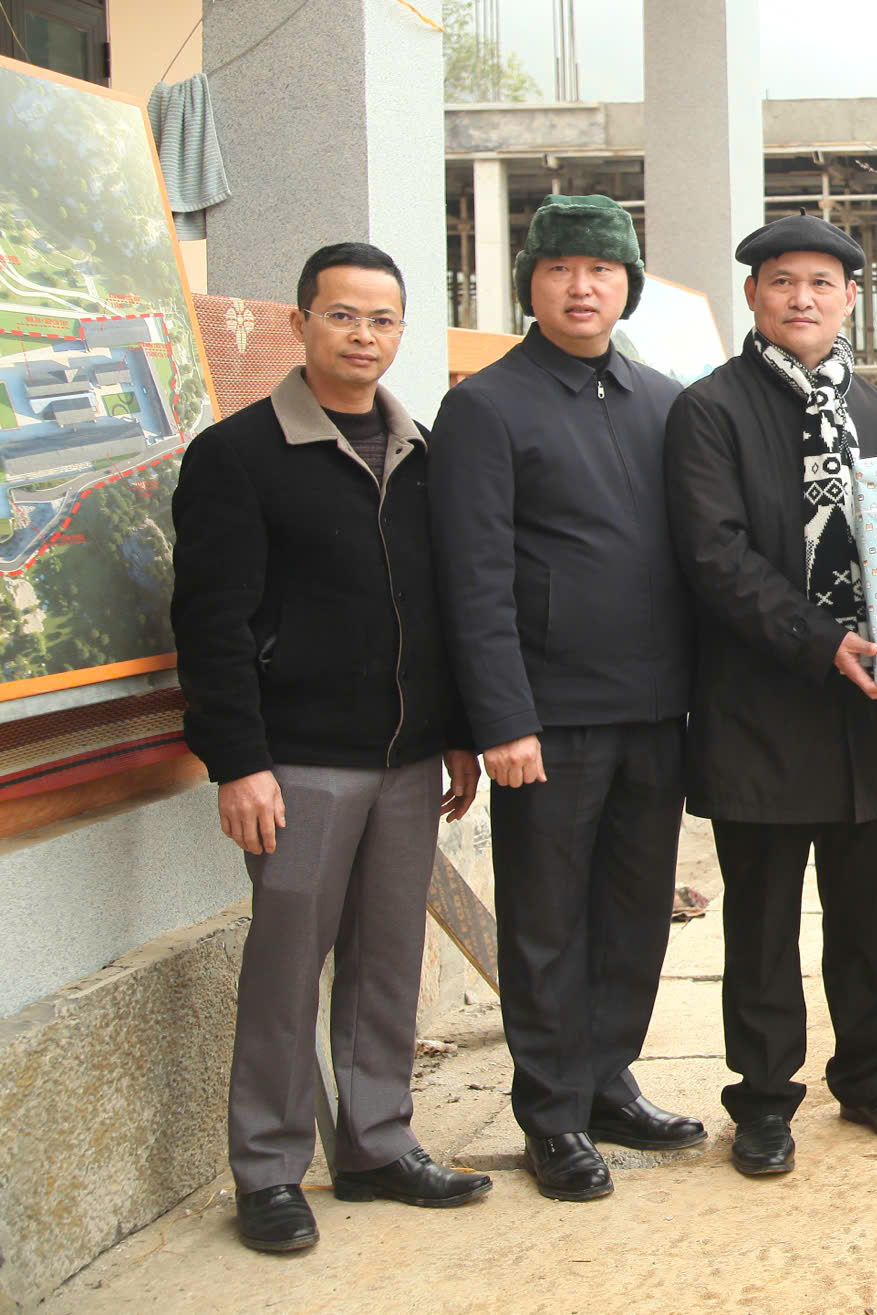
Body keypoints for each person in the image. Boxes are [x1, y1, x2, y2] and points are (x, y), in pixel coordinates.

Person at [172, 242, 490, 1253]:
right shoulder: (237, 456)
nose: (363, 335)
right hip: (296, 763)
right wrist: (238, 761)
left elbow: (445, 607)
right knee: (284, 969)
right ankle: (268, 1170)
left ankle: (377, 1145)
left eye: (382, 319)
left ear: (401, 331)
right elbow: (210, 625)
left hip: (408, 760)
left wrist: (460, 736)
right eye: (343, 315)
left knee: (387, 961)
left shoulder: (424, 453)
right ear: (300, 321)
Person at [432, 193, 700, 1201]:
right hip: (547, 718)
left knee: (633, 913)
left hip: (655, 707)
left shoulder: (663, 401)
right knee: (546, 923)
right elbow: (471, 578)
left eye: (601, 269)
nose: (581, 287)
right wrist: (500, 718)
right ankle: (550, 1114)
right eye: (559, 269)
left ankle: (606, 1082)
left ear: (626, 285)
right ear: (529, 284)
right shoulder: (487, 406)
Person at [664, 216, 877, 1180]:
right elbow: (714, 556)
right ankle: (763, 1097)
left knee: (869, 910)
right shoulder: (710, 411)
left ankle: (870, 1074)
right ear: (752, 295)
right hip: (762, 703)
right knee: (763, 918)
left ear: (851, 297)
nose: (802, 298)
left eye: (822, 282)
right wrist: (823, 641)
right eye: (782, 281)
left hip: (871, 706)